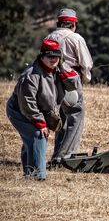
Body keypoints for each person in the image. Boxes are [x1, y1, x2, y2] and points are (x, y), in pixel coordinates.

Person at [6, 39, 80, 180]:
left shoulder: (58, 69)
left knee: (31, 141)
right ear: (42, 56)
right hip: (20, 111)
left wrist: (64, 70)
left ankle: (29, 173)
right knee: (38, 136)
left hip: (38, 110)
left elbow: (73, 85)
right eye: (50, 56)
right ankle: (37, 177)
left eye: (56, 56)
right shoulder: (31, 76)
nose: (53, 59)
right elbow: (27, 103)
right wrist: (41, 123)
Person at [45, 8, 93, 163]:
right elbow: (86, 63)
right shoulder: (76, 38)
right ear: (73, 24)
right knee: (75, 115)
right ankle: (66, 156)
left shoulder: (49, 37)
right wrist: (85, 78)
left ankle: (57, 155)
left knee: (60, 118)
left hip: (51, 80)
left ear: (59, 23)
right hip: (70, 80)